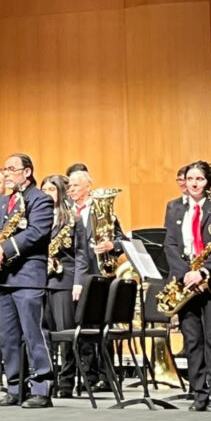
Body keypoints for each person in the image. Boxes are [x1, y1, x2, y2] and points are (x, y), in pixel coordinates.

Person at [0, 153, 54, 408]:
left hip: (28, 277)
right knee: (8, 338)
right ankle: (15, 388)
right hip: (4, 278)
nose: (6, 173)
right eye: (4, 169)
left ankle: (41, 389)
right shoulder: (4, 201)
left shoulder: (41, 199)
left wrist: (3, 250)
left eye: (11, 169)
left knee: (33, 335)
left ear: (27, 172)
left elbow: (36, 232)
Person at [163, 161, 211, 411]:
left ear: (208, 182)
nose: (193, 183)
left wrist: (202, 272)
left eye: (199, 179)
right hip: (186, 283)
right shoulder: (174, 207)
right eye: (190, 179)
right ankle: (199, 394)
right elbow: (170, 245)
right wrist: (186, 275)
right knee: (192, 341)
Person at [68, 165, 123, 392]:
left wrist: (112, 245)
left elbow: (122, 240)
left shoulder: (101, 210)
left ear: (88, 187)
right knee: (82, 328)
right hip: (74, 277)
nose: (71, 189)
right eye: (69, 186)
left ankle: (106, 376)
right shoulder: (65, 211)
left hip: (100, 276)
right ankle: (87, 376)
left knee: (102, 328)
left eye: (76, 185)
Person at [40, 174, 82, 399]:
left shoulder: (73, 218)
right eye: (44, 190)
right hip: (41, 280)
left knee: (66, 335)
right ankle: (47, 380)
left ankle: (66, 382)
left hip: (64, 280)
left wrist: (77, 282)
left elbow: (81, 254)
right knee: (44, 334)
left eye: (51, 190)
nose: (47, 194)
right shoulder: (37, 217)